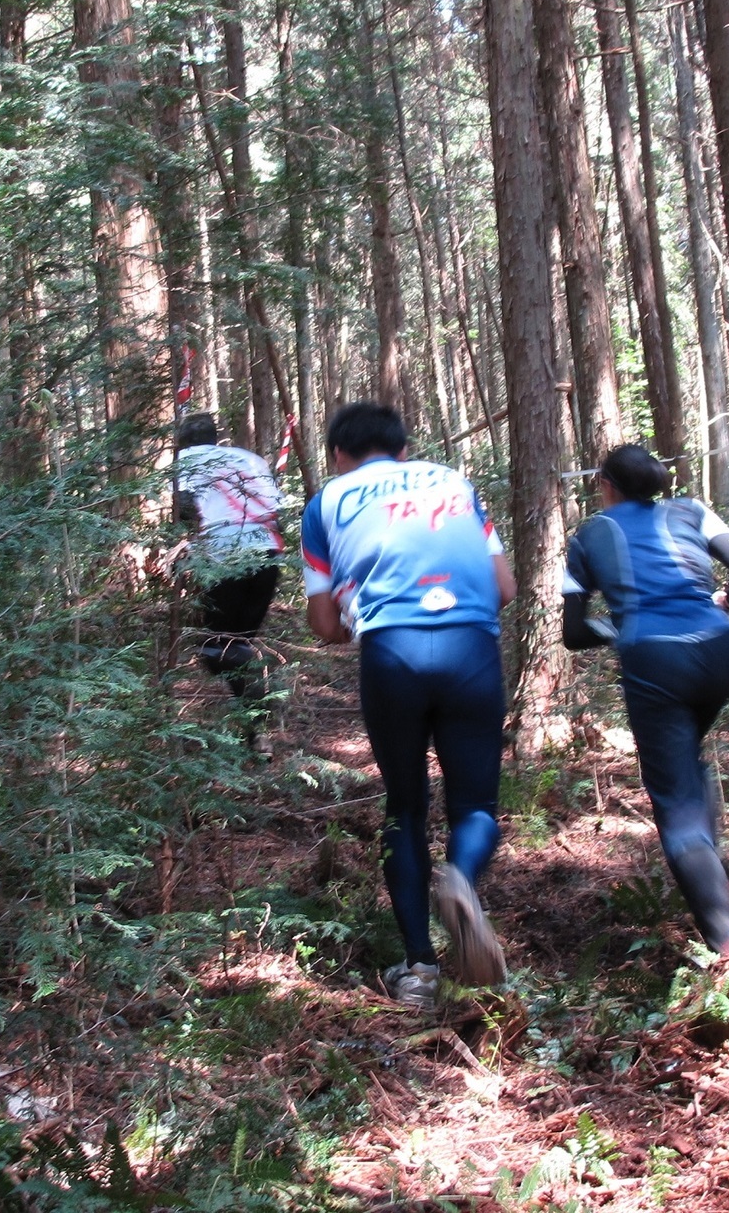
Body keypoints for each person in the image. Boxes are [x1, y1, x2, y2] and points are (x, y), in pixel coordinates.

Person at [301, 401, 516, 1010]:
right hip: (471, 645)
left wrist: (353, 618)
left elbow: (323, 623)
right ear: (402, 448)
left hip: (391, 653)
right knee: (475, 804)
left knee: (404, 808)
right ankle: (463, 882)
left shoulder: (327, 502)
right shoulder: (454, 482)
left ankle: (420, 968)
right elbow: (504, 588)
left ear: (339, 454)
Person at [561, 444, 729, 959]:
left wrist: (621, 626)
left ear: (605, 483)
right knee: (687, 764)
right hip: (719, 647)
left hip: (654, 659)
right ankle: (712, 878)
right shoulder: (691, 509)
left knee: (676, 801)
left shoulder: (588, 535)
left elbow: (574, 634)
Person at [175, 411, 285, 754]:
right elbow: (273, 504)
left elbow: (184, 510)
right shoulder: (249, 458)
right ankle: (256, 730)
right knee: (236, 642)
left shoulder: (186, 459)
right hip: (268, 553)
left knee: (216, 648)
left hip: (225, 556)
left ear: (184, 441)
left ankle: (257, 721)